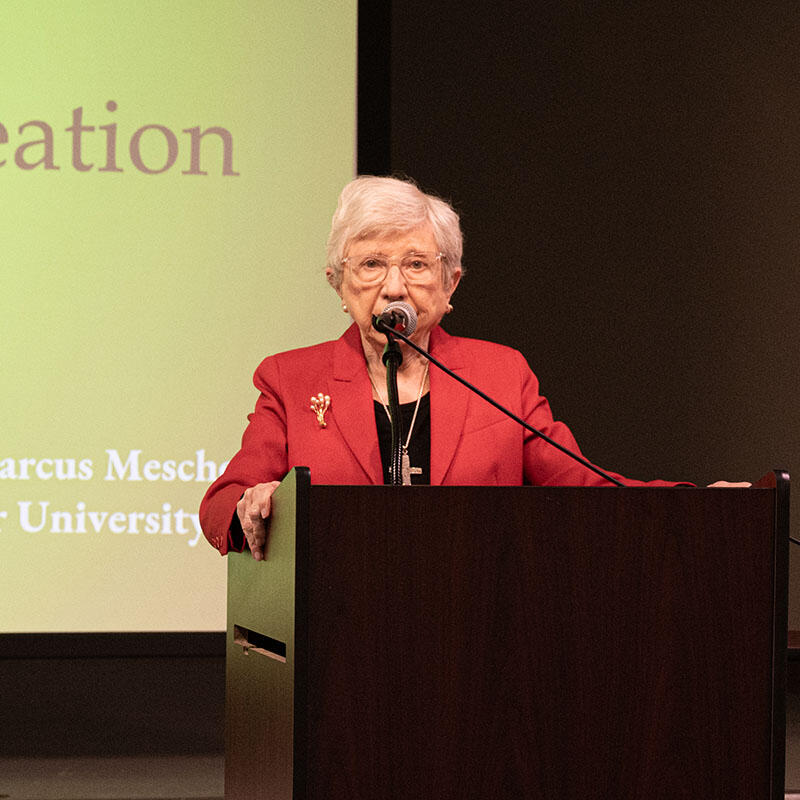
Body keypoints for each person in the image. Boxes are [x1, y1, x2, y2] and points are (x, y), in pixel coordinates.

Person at [199, 175, 747, 559]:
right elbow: (221, 503)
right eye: (371, 264)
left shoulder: (500, 375)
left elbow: (585, 488)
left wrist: (699, 504)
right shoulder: (291, 379)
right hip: (338, 632)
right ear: (339, 286)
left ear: (450, 284)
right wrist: (253, 502)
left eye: (417, 264)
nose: (394, 286)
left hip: (480, 632)